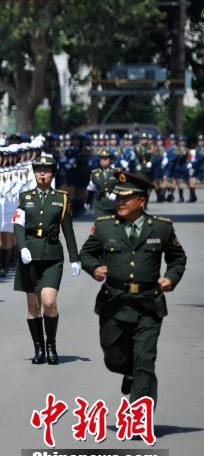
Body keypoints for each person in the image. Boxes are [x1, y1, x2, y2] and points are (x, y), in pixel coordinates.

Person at [79, 171, 186, 404]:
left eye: (126, 198)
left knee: (145, 362)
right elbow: (86, 254)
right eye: (118, 198)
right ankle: (129, 371)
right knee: (114, 356)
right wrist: (94, 268)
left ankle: (141, 418)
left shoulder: (161, 228)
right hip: (114, 301)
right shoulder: (105, 227)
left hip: (149, 303)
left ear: (141, 200)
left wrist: (171, 277)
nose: (120, 202)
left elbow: (177, 258)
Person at [12, 155, 80, 366]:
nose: (42, 173)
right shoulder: (24, 197)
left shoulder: (62, 198)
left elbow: (67, 230)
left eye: (47, 170)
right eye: (39, 170)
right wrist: (22, 247)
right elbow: (18, 225)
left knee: (49, 302)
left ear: (52, 173)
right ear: (34, 173)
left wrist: (74, 258)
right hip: (29, 256)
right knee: (33, 306)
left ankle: (51, 345)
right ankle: (39, 348)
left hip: (52, 256)